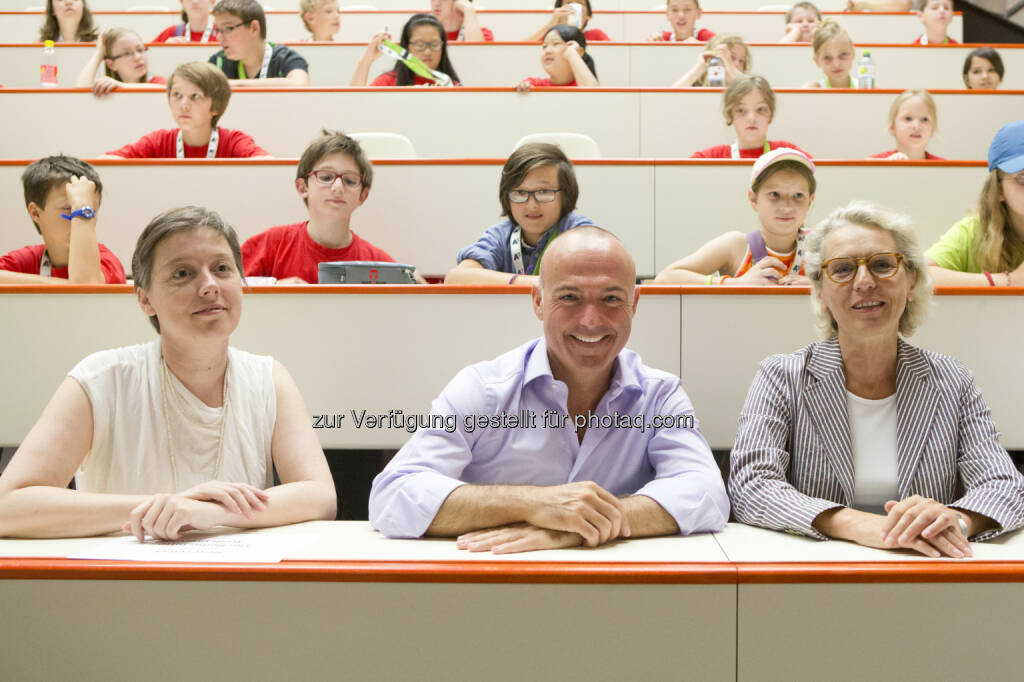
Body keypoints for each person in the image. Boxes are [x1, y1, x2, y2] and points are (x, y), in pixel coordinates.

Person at [371, 226, 729, 553]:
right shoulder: (482, 390)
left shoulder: (660, 395)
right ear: (538, 302)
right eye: (570, 297)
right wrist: (532, 503)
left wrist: (581, 524)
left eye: (611, 299)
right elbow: (393, 496)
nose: (591, 319)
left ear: (634, 304)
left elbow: (706, 491)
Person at [0, 206, 337, 540]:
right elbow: (7, 506)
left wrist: (210, 511)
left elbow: (320, 496)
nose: (209, 286)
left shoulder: (269, 378)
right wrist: (161, 509)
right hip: (120, 584)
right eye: (182, 274)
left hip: (233, 585)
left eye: (222, 268)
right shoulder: (100, 379)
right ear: (145, 300)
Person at [729, 200, 1024, 556]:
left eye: (883, 265)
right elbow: (751, 486)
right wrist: (861, 525)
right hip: (816, 576)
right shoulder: (782, 376)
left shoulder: (952, 380)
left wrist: (955, 521)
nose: (865, 282)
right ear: (820, 292)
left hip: (929, 574)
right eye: (842, 270)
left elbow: (1004, 484)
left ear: (912, 280)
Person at [243, 130, 413, 284]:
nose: (338, 187)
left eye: (350, 180)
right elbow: (227, 289)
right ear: (303, 188)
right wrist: (274, 287)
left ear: (363, 196)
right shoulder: (271, 245)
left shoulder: (379, 264)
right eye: (325, 177)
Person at [656, 148, 815, 285]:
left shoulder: (820, 248)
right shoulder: (735, 246)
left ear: (810, 201)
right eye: (774, 195)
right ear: (753, 199)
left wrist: (821, 287)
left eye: (798, 196)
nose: (787, 207)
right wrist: (733, 283)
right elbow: (664, 278)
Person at [445, 143, 593, 285]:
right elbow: (455, 277)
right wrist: (528, 283)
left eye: (544, 192)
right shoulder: (500, 235)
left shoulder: (578, 231)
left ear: (566, 195)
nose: (532, 205)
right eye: (520, 192)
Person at [926, 120, 1024, 287]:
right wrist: (1008, 281)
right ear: (999, 190)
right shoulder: (974, 232)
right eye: (1022, 177)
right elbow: (915, 276)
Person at [102, 62, 269, 159]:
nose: (183, 105)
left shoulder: (233, 141)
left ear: (216, 106)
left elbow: (267, 164)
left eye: (195, 96)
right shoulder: (159, 141)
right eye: (176, 95)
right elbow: (107, 161)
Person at [1, 155, 124, 284]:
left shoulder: (107, 261)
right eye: (68, 207)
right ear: (35, 213)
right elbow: (79, 287)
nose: (77, 220)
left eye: (89, 210)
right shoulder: (27, 259)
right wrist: (62, 285)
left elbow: (86, 289)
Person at [690, 75, 808, 158]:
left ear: (770, 114)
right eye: (741, 110)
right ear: (730, 115)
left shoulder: (785, 154)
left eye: (760, 110)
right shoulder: (713, 157)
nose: (751, 118)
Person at [209, 0, 310, 86]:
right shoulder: (218, 62)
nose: (220, 38)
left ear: (254, 28)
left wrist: (233, 85)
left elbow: (300, 84)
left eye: (228, 28)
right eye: (217, 30)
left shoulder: (285, 58)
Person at [351, 15, 462, 87]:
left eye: (434, 44)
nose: (428, 51)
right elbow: (353, 105)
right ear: (407, 47)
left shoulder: (451, 85)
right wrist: (366, 62)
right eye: (420, 45)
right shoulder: (387, 83)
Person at [73, 28, 167, 98]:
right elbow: (79, 95)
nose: (138, 57)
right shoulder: (107, 88)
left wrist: (122, 86)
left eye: (140, 50)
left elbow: (167, 90)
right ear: (111, 64)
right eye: (126, 54)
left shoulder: (157, 82)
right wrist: (99, 54)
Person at [869, 90, 943, 161]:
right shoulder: (878, 161)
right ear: (892, 126)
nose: (916, 126)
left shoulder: (943, 167)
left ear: (933, 128)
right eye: (908, 119)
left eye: (924, 119)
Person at [517, 25, 598, 89]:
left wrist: (572, 53)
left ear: (578, 52)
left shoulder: (584, 83)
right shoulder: (533, 84)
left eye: (556, 43)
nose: (547, 50)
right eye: (544, 46)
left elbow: (593, 95)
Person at [671, 34, 750, 88]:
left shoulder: (744, 92)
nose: (737, 64)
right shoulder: (700, 86)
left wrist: (730, 66)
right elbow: (672, 96)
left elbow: (751, 87)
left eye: (741, 61)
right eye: (732, 58)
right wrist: (700, 67)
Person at [802, 20, 856, 89]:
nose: (836, 64)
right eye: (827, 57)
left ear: (853, 53)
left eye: (843, 54)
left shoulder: (866, 89)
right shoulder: (813, 90)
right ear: (816, 61)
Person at [525, 2, 611, 43]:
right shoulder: (550, 38)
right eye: (569, 3)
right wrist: (552, 23)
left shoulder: (596, 35)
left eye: (580, 3)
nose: (573, 8)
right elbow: (521, 49)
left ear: (589, 15)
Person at [154, 0, 219, 43]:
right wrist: (164, 50)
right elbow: (148, 55)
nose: (195, 1)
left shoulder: (222, 34)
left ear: (212, 1)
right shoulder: (171, 32)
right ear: (181, 2)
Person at [648, 0, 714, 42]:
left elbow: (719, 53)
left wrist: (699, 47)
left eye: (687, 9)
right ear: (667, 14)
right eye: (675, 10)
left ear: (698, 13)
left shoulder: (708, 37)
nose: (681, 15)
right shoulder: (662, 38)